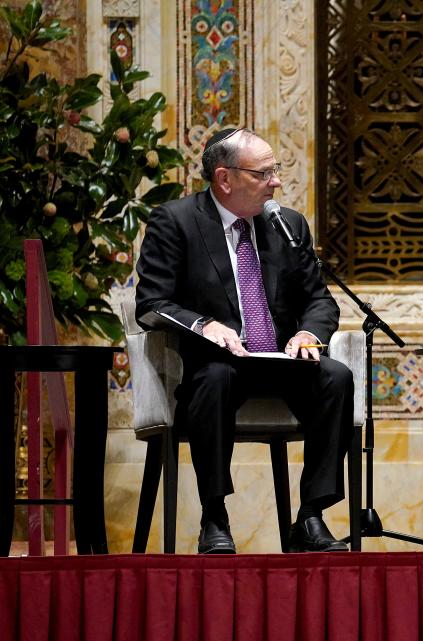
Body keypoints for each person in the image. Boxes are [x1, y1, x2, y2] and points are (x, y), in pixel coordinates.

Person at [135, 128, 353, 554]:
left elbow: (319, 299)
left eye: (276, 171)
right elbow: (152, 302)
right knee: (215, 379)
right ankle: (214, 517)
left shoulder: (287, 225)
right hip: (218, 362)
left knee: (336, 378)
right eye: (264, 173)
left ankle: (310, 516)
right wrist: (203, 325)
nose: (276, 182)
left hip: (281, 359)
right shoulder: (175, 221)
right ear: (225, 178)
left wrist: (309, 332)